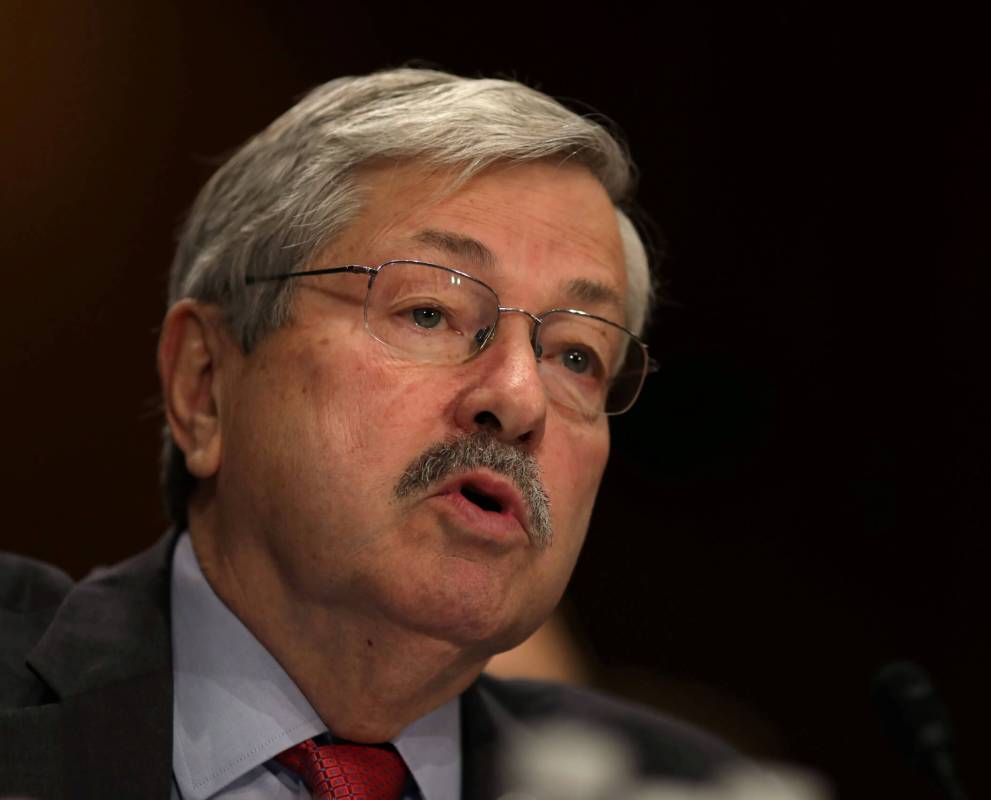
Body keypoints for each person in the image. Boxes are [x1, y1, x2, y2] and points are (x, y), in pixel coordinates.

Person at [0, 67, 739, 798]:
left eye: (577, 356)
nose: (518, 399)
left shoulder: (673, 785)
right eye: (428, 312)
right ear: (204, 386)